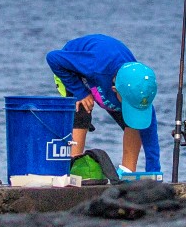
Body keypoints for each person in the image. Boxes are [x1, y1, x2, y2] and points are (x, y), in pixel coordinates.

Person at [46, 34, 160, 177]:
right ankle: (74, 168)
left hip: (112, 78)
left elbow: (150, 138)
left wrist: (154, 173)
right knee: (82, 109)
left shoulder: (140, 92)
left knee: (135, 122)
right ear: (114, 91)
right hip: (73, 72)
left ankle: (126, 173)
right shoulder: (94, 65)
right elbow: (53, 58)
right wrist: (80, 92)